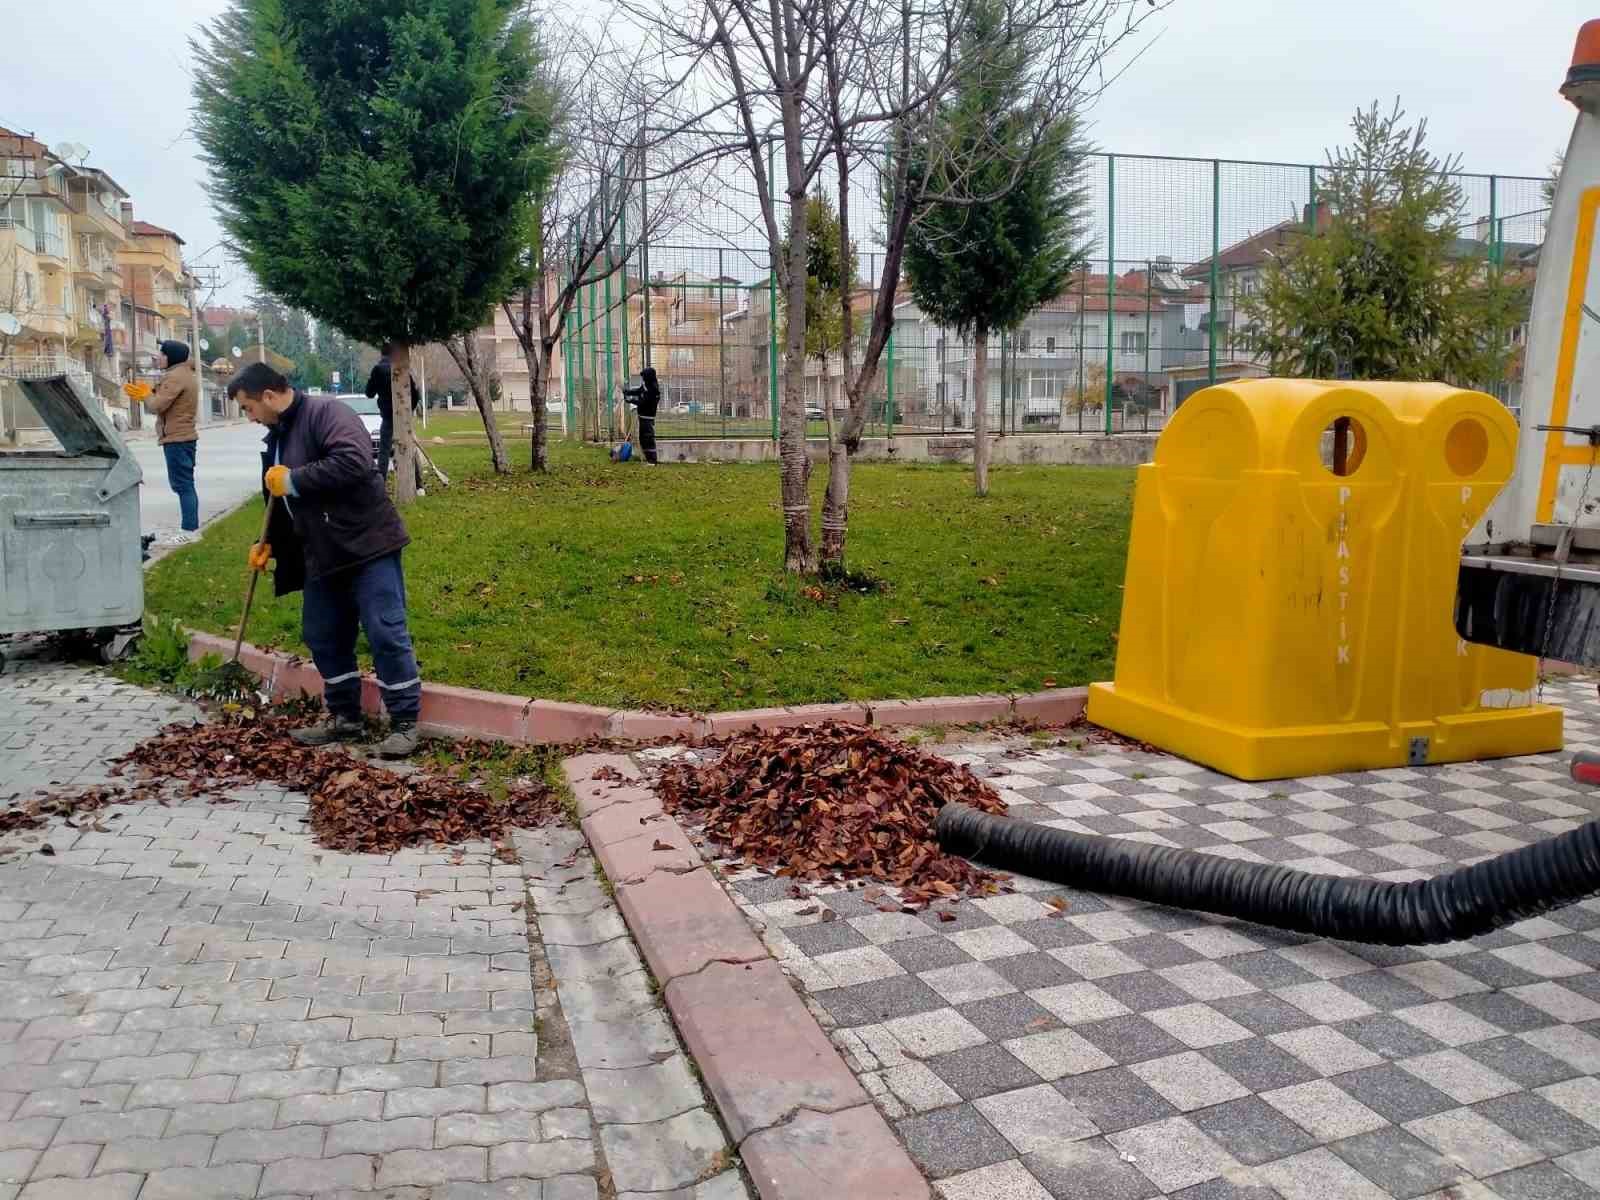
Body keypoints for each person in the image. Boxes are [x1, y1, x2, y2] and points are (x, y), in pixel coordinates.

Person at [229, 361, 423, 757]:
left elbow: (353, 462)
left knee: (385, 631)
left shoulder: (327, 413)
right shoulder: (278, 435)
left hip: (366, 543)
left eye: (248, 408)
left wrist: (295, 480)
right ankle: (345, 716)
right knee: (323, 634)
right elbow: (280, 499)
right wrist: (267, 544)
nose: (250, 417)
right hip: (321, 550)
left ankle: (404, 723)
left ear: (268, 396)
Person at [126, 339, 200, 543]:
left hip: (177, 438)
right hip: (182, 437)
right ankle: (190, 529)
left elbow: (157, 406)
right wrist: (149, 392)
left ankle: (190, 531)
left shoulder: (176, 377)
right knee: (185, 485)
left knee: (183, 486)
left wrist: (145, 396)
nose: (158, 358)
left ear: (172, 357)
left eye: (162, 354)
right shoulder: (183, 374)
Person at [364, 343, 426, 493]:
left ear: (382, 354)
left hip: (387, 417)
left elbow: (369, 393)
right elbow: (415, 394)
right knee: (410, 449)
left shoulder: (378, 370)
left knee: (384, 452)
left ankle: (380, 485)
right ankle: (418, 486)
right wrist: (408, 411)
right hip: (403, 416)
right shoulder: (402, 368)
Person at [621, 366, 661, 464]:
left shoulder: (653, 389)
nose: (643, 378)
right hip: (642, 416)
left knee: (648, 439)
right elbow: (639, 391)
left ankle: (652, 460)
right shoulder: (646, 385)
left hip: (648, 417)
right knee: (642, 439)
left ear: (649, 377)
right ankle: (648, 459)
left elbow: (643, 402)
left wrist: (631, 400)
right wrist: (628, 392)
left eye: (644, 376)